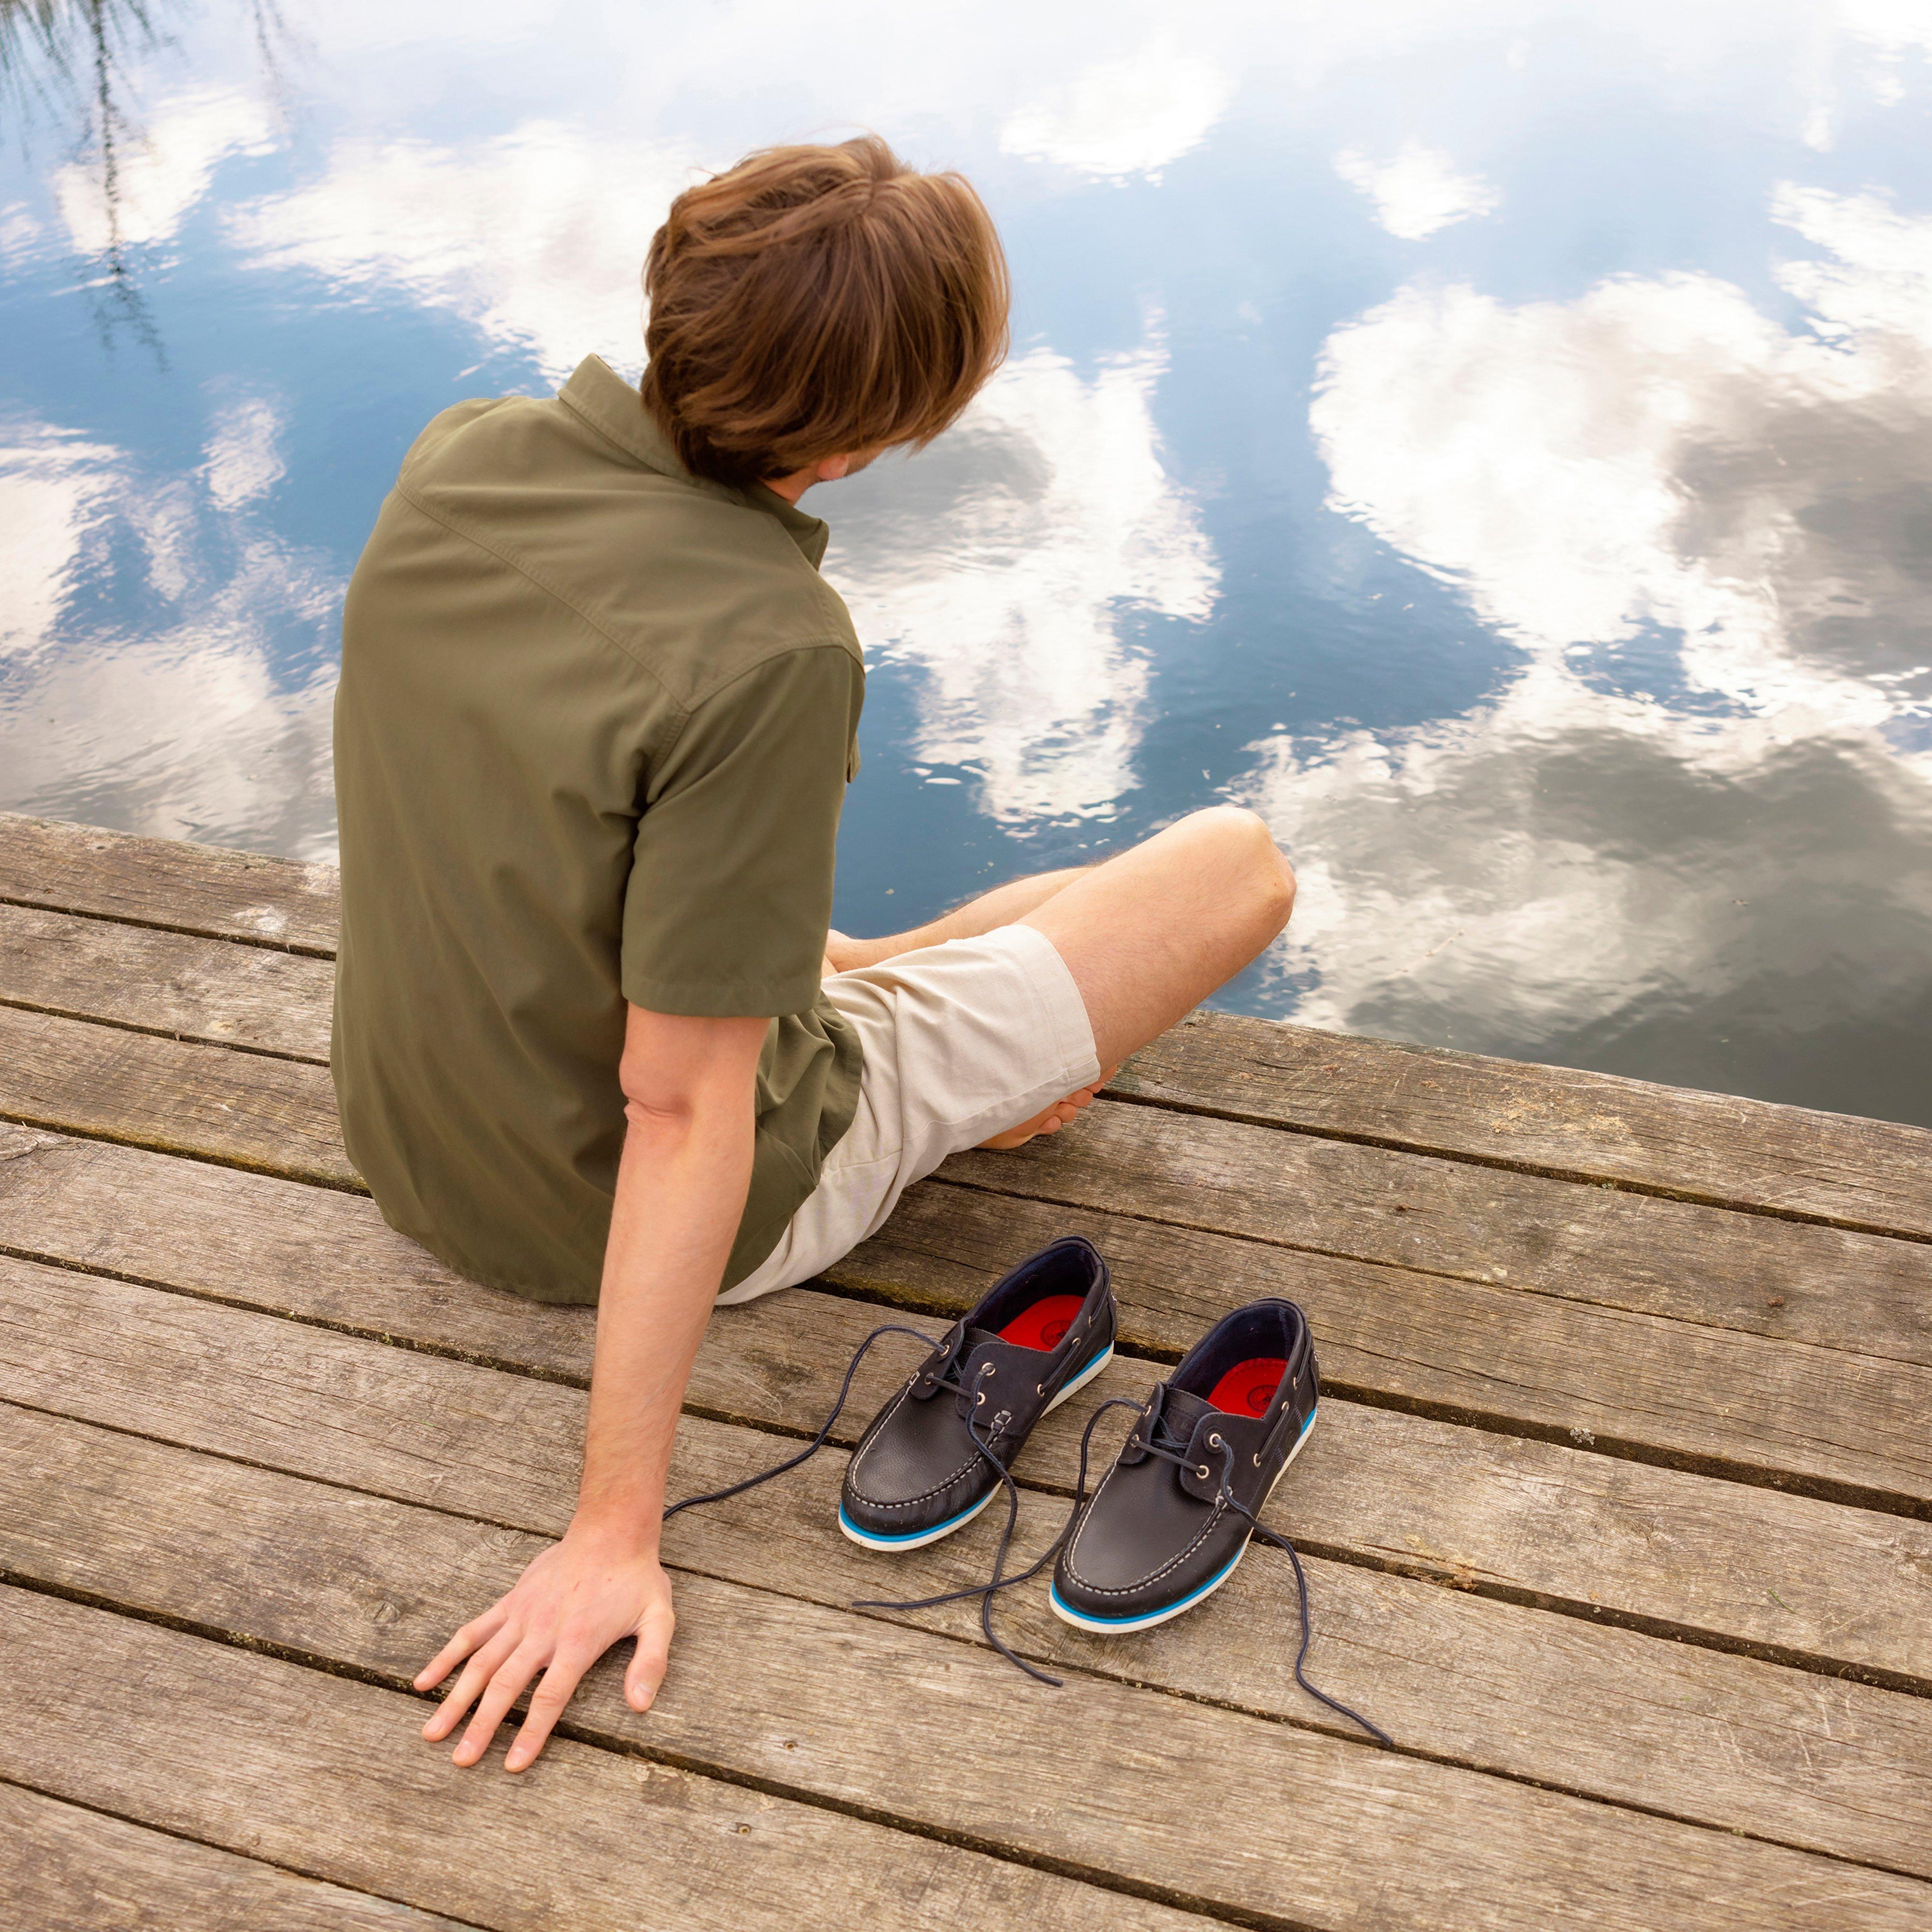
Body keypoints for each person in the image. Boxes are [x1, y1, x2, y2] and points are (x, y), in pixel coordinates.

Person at [329, 135, 1295, 1776]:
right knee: (1234, 868)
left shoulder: (462, 455)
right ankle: (932, 1051)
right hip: (628, 1192)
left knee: (856, 958)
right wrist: (609, 1534)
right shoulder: (770, 648)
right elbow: (688, 1116)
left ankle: (862, 977)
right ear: (861, 444)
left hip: (417, 1144)